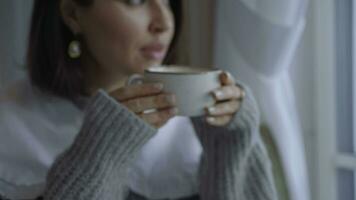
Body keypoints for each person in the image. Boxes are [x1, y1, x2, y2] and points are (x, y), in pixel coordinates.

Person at [0, 0, 278, 199]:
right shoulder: (11, 128)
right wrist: (100, 153)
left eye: (168, 1)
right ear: (73, 13)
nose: (164, 22)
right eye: (136, 1)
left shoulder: (195, 125)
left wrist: (232, 146)